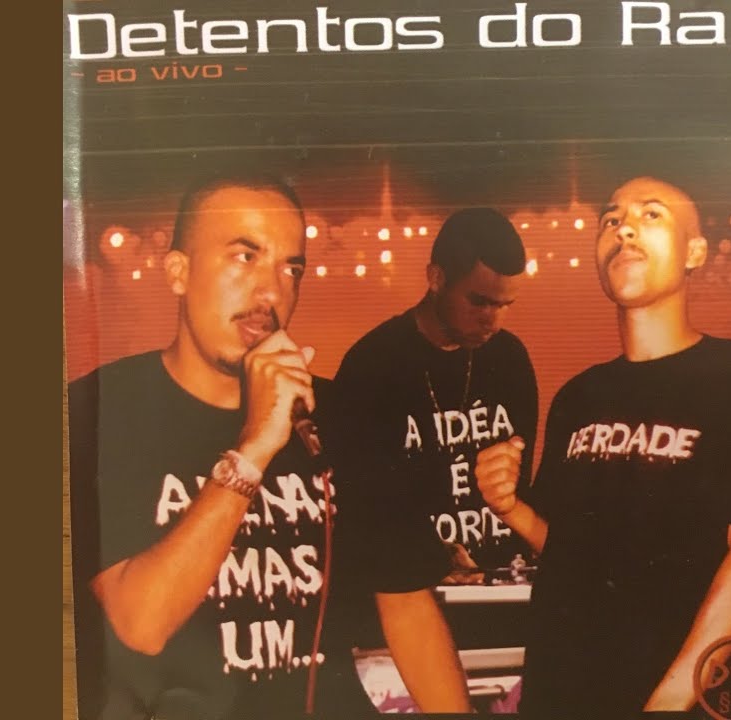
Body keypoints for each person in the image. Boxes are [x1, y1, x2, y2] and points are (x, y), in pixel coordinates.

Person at [67, 174, 471, 720]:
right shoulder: (99, 410)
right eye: (245, 257)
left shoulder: (341, 413)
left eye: (290, 268)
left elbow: (405, 603)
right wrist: (255, 448)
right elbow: (141, 624)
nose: (270, 293)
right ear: (178, 272)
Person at [475, 177, 731, 714]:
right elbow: (570, 550)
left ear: (694, 252)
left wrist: (667, 704)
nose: (624, 230)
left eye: (652, 215)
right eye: (611, 220)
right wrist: (510, 507)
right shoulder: (579, 396)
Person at [329, 208, 539, 590]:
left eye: (505, 305)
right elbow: (360, 511)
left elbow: (519, 489)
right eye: (479, 301)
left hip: (503, 589)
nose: (493, 321)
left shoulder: (510, 359)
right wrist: (430, 558)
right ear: (436, 278)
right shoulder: (372, 365)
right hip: (411, 595)